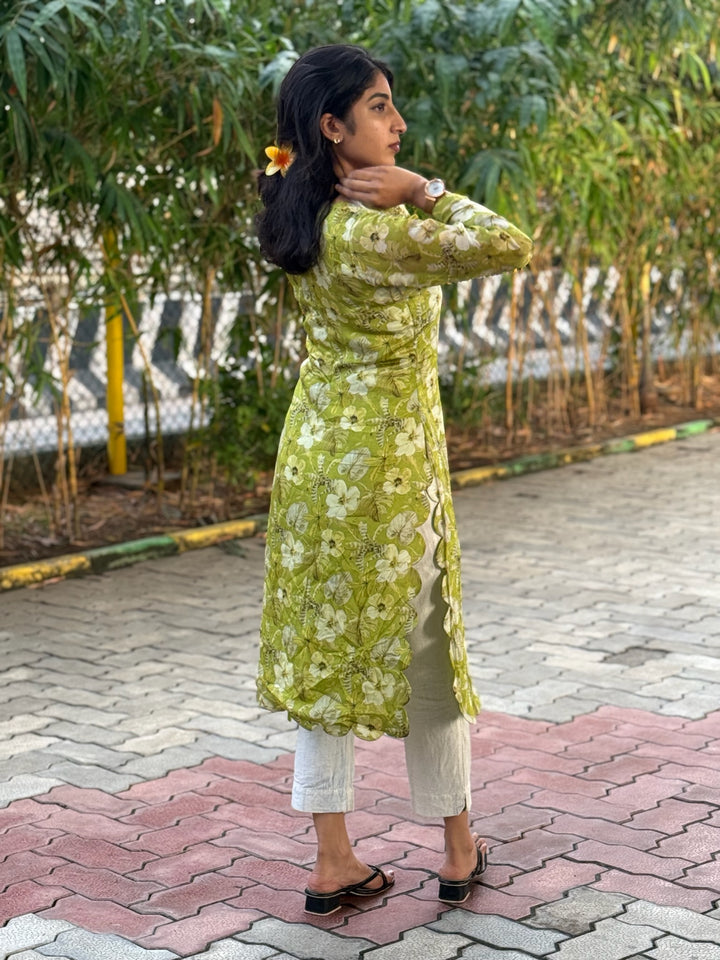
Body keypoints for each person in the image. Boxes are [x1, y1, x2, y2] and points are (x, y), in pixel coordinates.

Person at [255, 43, 532, 916]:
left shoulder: (300, 211)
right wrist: (425, 190)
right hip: (389, 469)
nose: (399, 123)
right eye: (380, 107)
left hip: (314, 460)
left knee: (323, 655)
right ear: (333, 127)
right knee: (429, 656)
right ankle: (456, 847)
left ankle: (333, 860)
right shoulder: (380, 230)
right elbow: (508, 243)